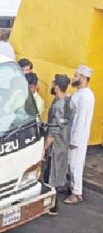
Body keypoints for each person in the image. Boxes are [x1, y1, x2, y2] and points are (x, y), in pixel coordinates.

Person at [65, 65, 94, 205]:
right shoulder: (79, 93)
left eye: (76, 75)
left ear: (82, 78)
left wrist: (75, 139)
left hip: (79, 136)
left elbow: (81, 120)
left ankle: (77, 193)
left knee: (75, 165)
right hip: (73, 133)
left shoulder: (86, 96)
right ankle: (72, 187)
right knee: (71, 163)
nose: (74, 77)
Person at [44, 74, 72, 214]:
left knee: (50, 176)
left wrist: (44, 148)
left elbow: (53, 132)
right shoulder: (68, 102)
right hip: (64, 143)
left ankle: (52, 206)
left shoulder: (58, 106)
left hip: (56, 146)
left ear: (56, 86)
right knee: (56, 173)